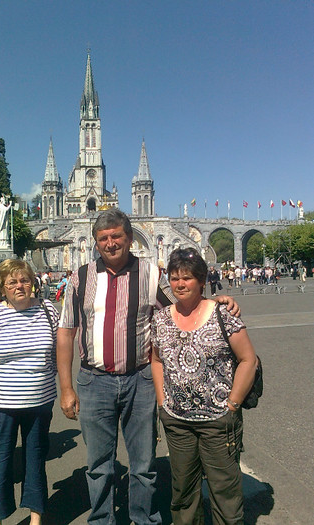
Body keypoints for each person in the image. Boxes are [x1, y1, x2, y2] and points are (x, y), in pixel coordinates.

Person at [57, 208, 240, 525]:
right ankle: (102, 520)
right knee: (99, 463)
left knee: (143, 462)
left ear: (129, 238)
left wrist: (216, 302)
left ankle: (143, 519)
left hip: (140, 379)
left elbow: (184, 304)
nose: (111, 243)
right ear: (95, 242)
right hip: (94, 381)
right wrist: (66, 387)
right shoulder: (80, 277)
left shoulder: (151, 274)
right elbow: (65, 332)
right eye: (104, 238)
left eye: (117, 236)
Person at [151, 248, 257, 525]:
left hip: (218, 420)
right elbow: (157, 361)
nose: (180, 284)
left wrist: (232, 404)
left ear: (201, 280)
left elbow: (248, 359)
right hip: (177, 420)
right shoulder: (161, 319)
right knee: (183, 490)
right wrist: (163, 401)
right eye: (174, 278)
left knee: (224, 490)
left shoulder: (223, 314)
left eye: (187, 278)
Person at [0, 259, 59, 525]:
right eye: (12, 282)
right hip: (0, 403)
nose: (19, 286)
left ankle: (36, 516)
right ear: (2, 287)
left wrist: (41, 379)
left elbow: (58, 352)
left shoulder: (48, 311)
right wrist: (3, 386)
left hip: (39, 400)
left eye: (24, 280)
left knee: (36, 458)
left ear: (33, 282)